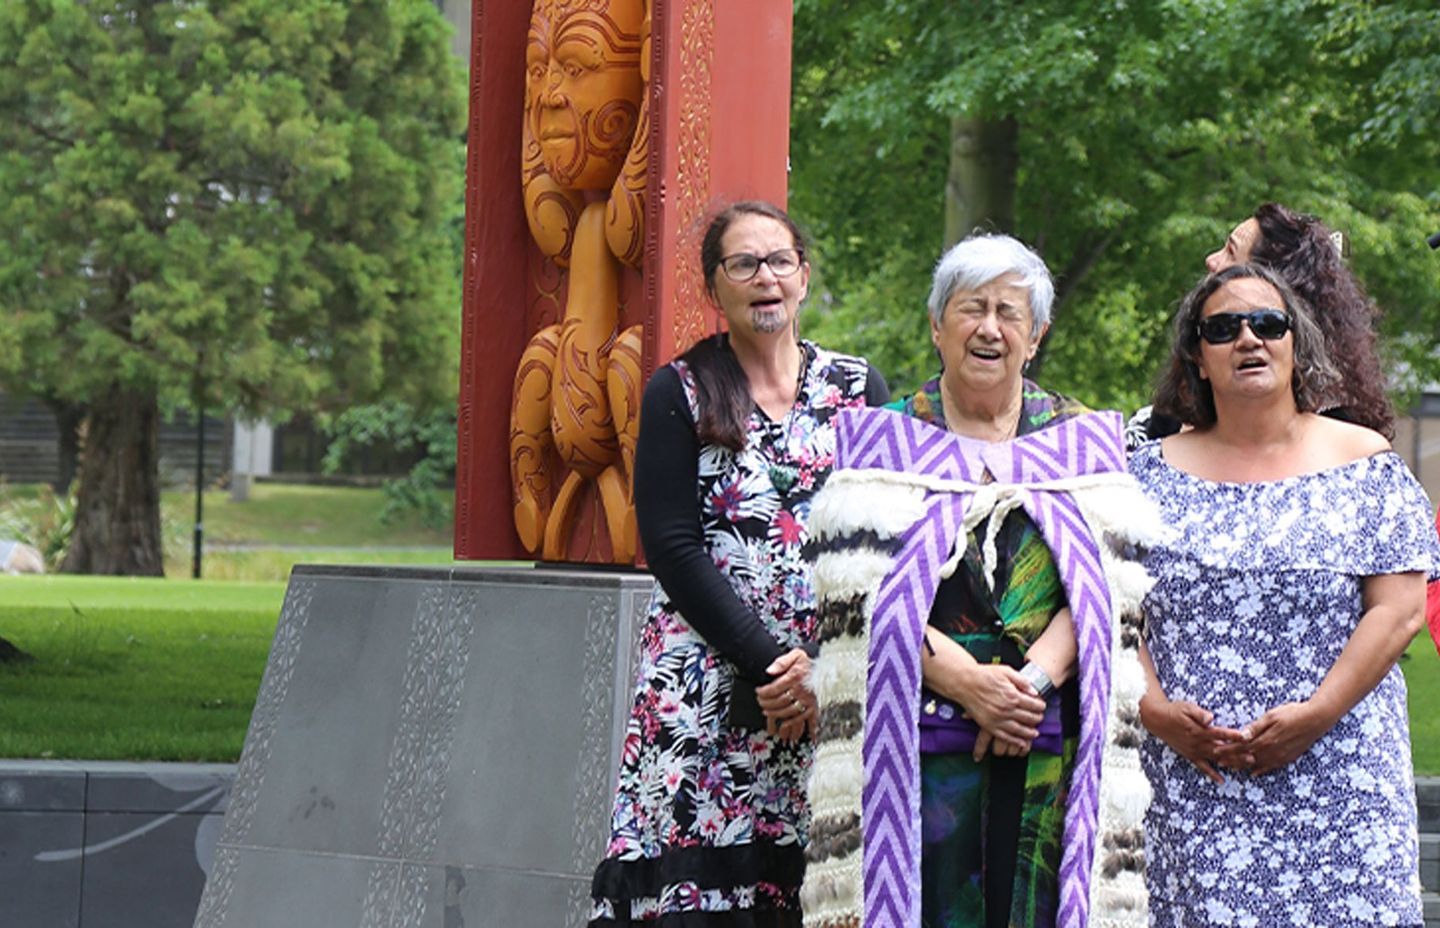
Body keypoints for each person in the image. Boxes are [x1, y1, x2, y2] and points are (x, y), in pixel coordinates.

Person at [801, 233, 1160, 928]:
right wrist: (966, 681)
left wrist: (1029, 684)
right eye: (971, 308)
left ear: (1037, 335)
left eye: (1009, 312)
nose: (989, 327)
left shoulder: (1080, 439)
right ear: (938, 326)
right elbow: (852, 594)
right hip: (915, 742)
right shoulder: (885, 439)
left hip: (1049, 732)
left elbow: (1112, 583)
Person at [587, 200, 889, 926]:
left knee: (817, 894)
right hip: (707, 688)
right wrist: (773, 663)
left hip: (829, 688)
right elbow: (671, 545)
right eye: (744, 264)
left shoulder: (858, 391)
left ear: (805, 277)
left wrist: (820, 668)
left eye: (780, 261)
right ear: (712, 286)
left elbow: (886, 540)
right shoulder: (679, 391)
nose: (765, 279)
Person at [1130, 263, 1440, 927]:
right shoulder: (1142, 480)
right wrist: (1154, 710)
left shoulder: (1365, 464)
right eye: (1223, 328)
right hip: (1198, 786)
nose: (1249, 338)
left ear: (1296, 343)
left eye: (1267, 323)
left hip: (1343, 780)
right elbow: (1108, 609)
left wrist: (1318, 713)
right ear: (1196, 357)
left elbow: (1399, 609)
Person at [1131, 202, 1395, 447]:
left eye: (1267, 324)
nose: (1211, 260)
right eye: (1221, 329)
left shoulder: (1348, 450)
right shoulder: (1162, 439)